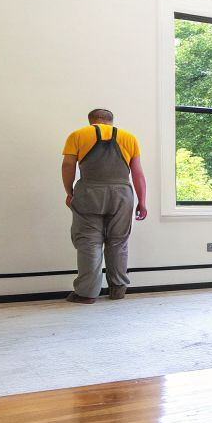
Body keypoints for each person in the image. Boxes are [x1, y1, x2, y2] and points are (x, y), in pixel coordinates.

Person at [61, 109, 148, 304]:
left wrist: (69, 191)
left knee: (89, 242)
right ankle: (118, 290)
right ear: (111, 121)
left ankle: (86, 294)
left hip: (89, 192)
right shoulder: (129, 138)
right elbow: (138, 173)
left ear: (91, 121)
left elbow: (68, 166)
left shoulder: (78, 135)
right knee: (118, 242)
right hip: (122, 195)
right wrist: (142, 201)